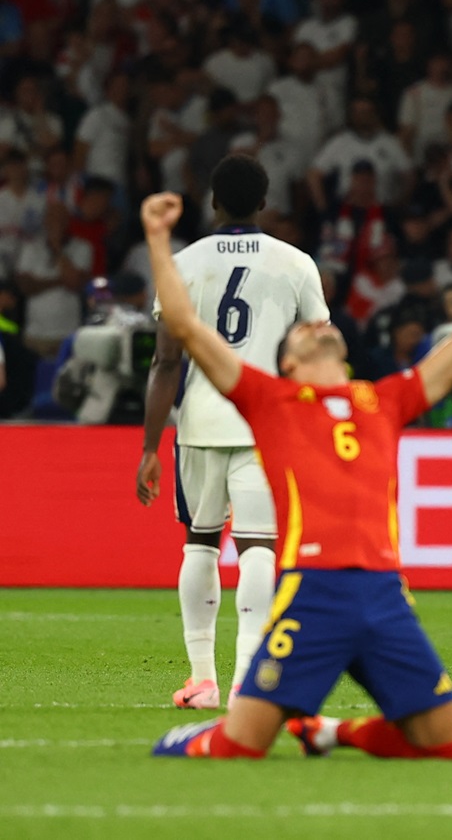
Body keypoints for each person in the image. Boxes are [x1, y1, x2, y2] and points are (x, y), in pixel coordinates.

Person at [147, 195, 452, 760]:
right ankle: (187, 741)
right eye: (298, 334)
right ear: (287, 364)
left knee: (448, 745)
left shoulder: (385, 399)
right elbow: (185, 326)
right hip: (311, 592)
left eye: (319, 329)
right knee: (237, 748)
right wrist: (156, 237)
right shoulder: (269, 400)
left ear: (344, 355)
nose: (313, 331)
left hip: (384, 593)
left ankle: (330, 731)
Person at [136, 156, 331, 711]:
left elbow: (165, 362)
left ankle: (202, 679)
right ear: (265, 203)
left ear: (213, 201)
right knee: (259, 548)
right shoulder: (295, 263)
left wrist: (151, 446)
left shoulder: (183, 263)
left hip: (199, 422)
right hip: (268, 425)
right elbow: (320, 353)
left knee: (200, 541)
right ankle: (249, 677)